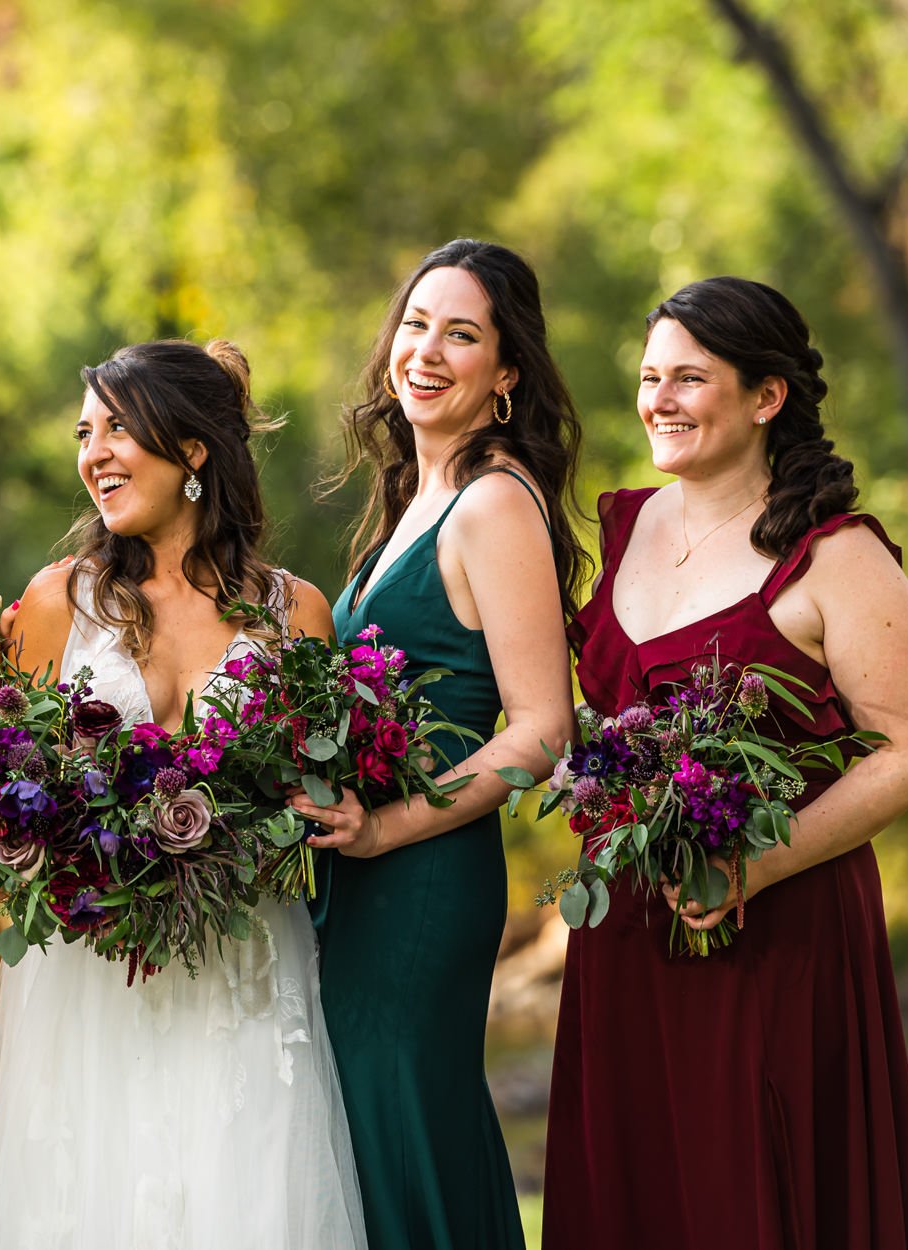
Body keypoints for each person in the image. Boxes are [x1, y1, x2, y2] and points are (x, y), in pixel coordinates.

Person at [541, 277, 908, 1250]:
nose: (657, 399)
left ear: (765, 396)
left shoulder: (835, 557)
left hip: (776, 926)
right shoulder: (625, 526)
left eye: (688, 377)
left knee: (754, 1191)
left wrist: (751, 864)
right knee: (633, 1188)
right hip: (627, 935)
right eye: (648, 377)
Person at [0, 338, 363, 1248]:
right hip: (89, 971)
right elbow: (9, 786)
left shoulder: (292, 611)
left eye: (119, 429)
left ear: (193, 451)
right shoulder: (53, 603)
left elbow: (312, 783)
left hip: (244, 958)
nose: (94, 453)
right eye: (85, 432)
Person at [288, 238, 586, 1249]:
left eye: (459, 333)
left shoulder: (492, 501)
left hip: (420, 879)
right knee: (370, 1139)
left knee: (407, 1128)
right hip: (365, 871)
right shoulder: (409, 503)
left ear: (505, 374)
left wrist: (383, 830)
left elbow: (541, 726)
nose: (423, 349)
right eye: (414, 323)